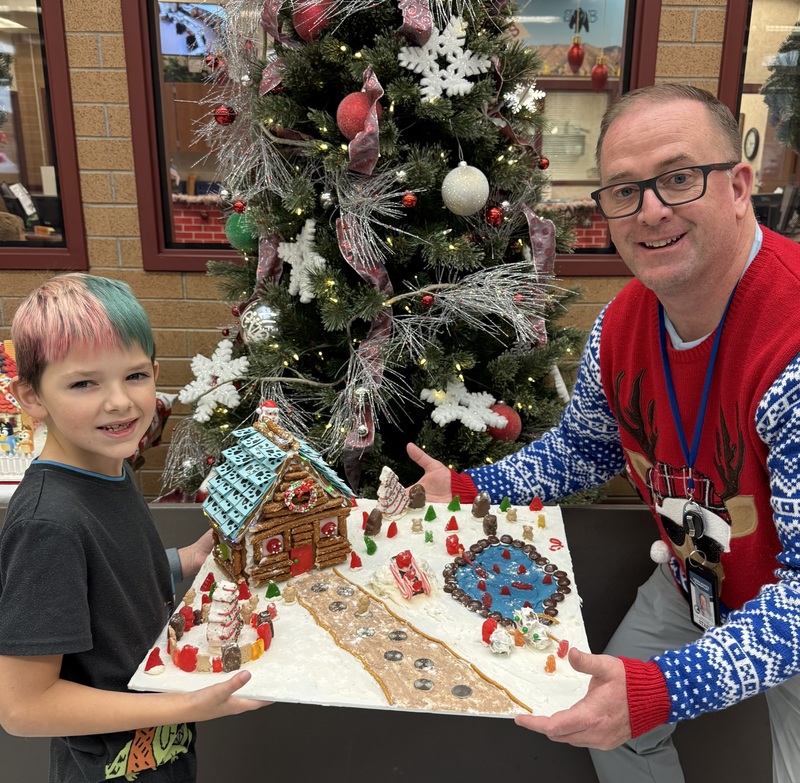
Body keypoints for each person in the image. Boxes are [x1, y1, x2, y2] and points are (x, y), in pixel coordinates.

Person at [407, 83, 800, 783]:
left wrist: (668, 686)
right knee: (605, 716)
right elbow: (584, 448)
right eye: (623, 190)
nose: (650, 210)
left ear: (739, 185)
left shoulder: (792, 341)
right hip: (694, 576)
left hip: (785, 603)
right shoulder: (620, 327)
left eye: (679, 178)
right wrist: (468, 487)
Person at [0, 274, 266, 782]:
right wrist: (185, 705)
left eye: (135, 376)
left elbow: (104, 582)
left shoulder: (108, 467)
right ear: (31, 397)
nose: (120, 401)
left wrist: (185, 560)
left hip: (161, 756)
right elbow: (23, 708)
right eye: (84, 382)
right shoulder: (47, 524)